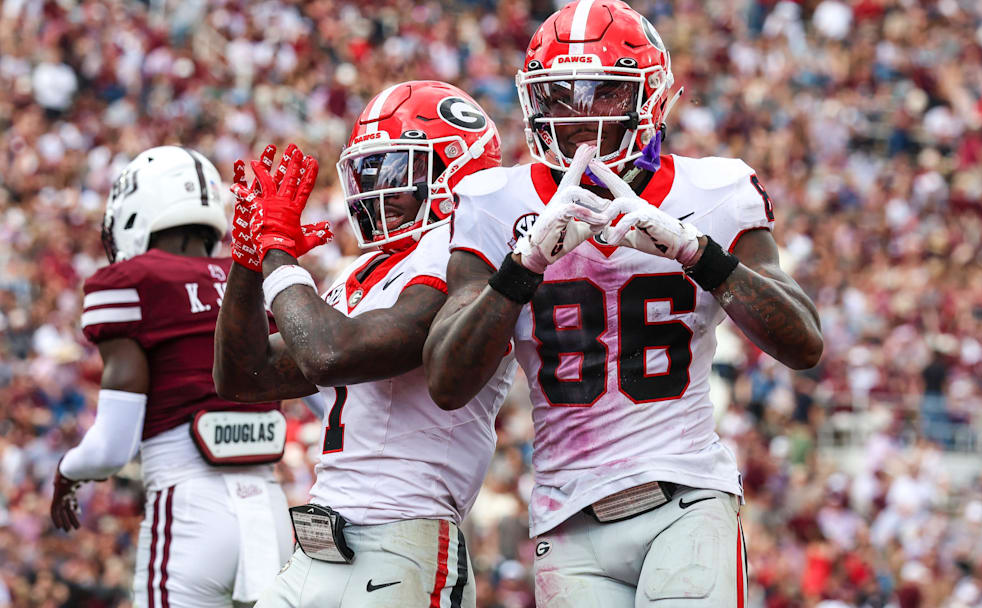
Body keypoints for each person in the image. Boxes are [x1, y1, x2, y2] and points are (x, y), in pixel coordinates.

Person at [423, 2, 823, 606]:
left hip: (685, 497)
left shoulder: (713, 191)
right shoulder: (493, 201)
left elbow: (804, 343)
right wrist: (523, 267)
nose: (579, 118)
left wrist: (698, 254)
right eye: (558, 97)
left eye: (603, 94)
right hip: (566, 515)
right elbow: (447, 380)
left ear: (651, 99)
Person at [213, 80, 515, 608]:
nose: (380, 187)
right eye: (370, 170)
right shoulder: (367, 271)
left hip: (401, 547)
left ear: (454, 172)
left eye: (398, 171)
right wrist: (249, 256)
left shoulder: (463, 257)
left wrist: (280, 258)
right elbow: (245, 377)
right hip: (317, 550)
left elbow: (331, 355)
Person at [50, 146, 294, 607]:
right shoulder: (250, 276)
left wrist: (67, 473)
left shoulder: (133, 279)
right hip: (272, 513)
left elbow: (113, 446)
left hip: (190, 510)